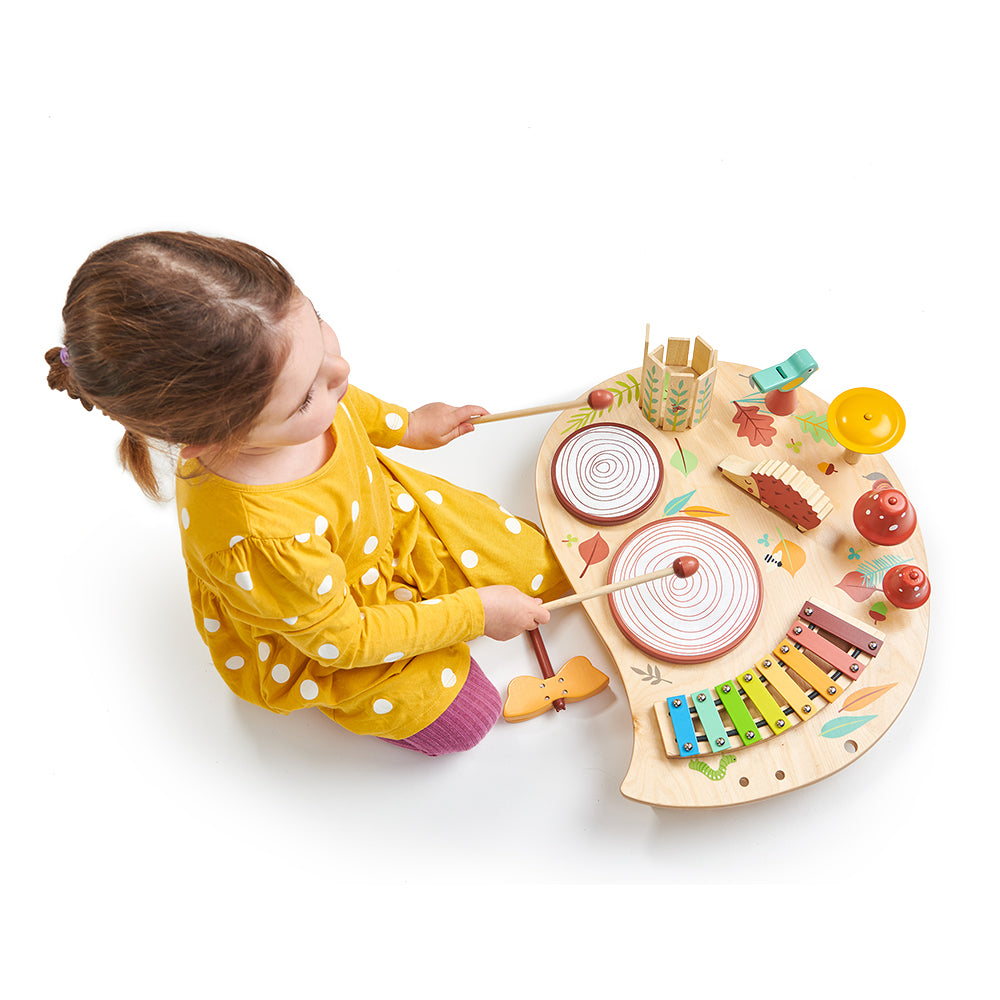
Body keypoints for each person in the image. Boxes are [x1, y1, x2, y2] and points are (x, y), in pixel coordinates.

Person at [46, 232, 568, 755]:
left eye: (317, 326)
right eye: (305, 396)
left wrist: (406, 425)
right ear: (218, 436)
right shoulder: (256, 535)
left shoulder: (289, 389)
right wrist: (474, 614)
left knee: (551, 566)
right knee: (468, 720)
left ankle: (436, 606)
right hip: (328, 627)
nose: (340, 373)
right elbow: (342, 640)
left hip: (387, 524)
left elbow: (342, 401)